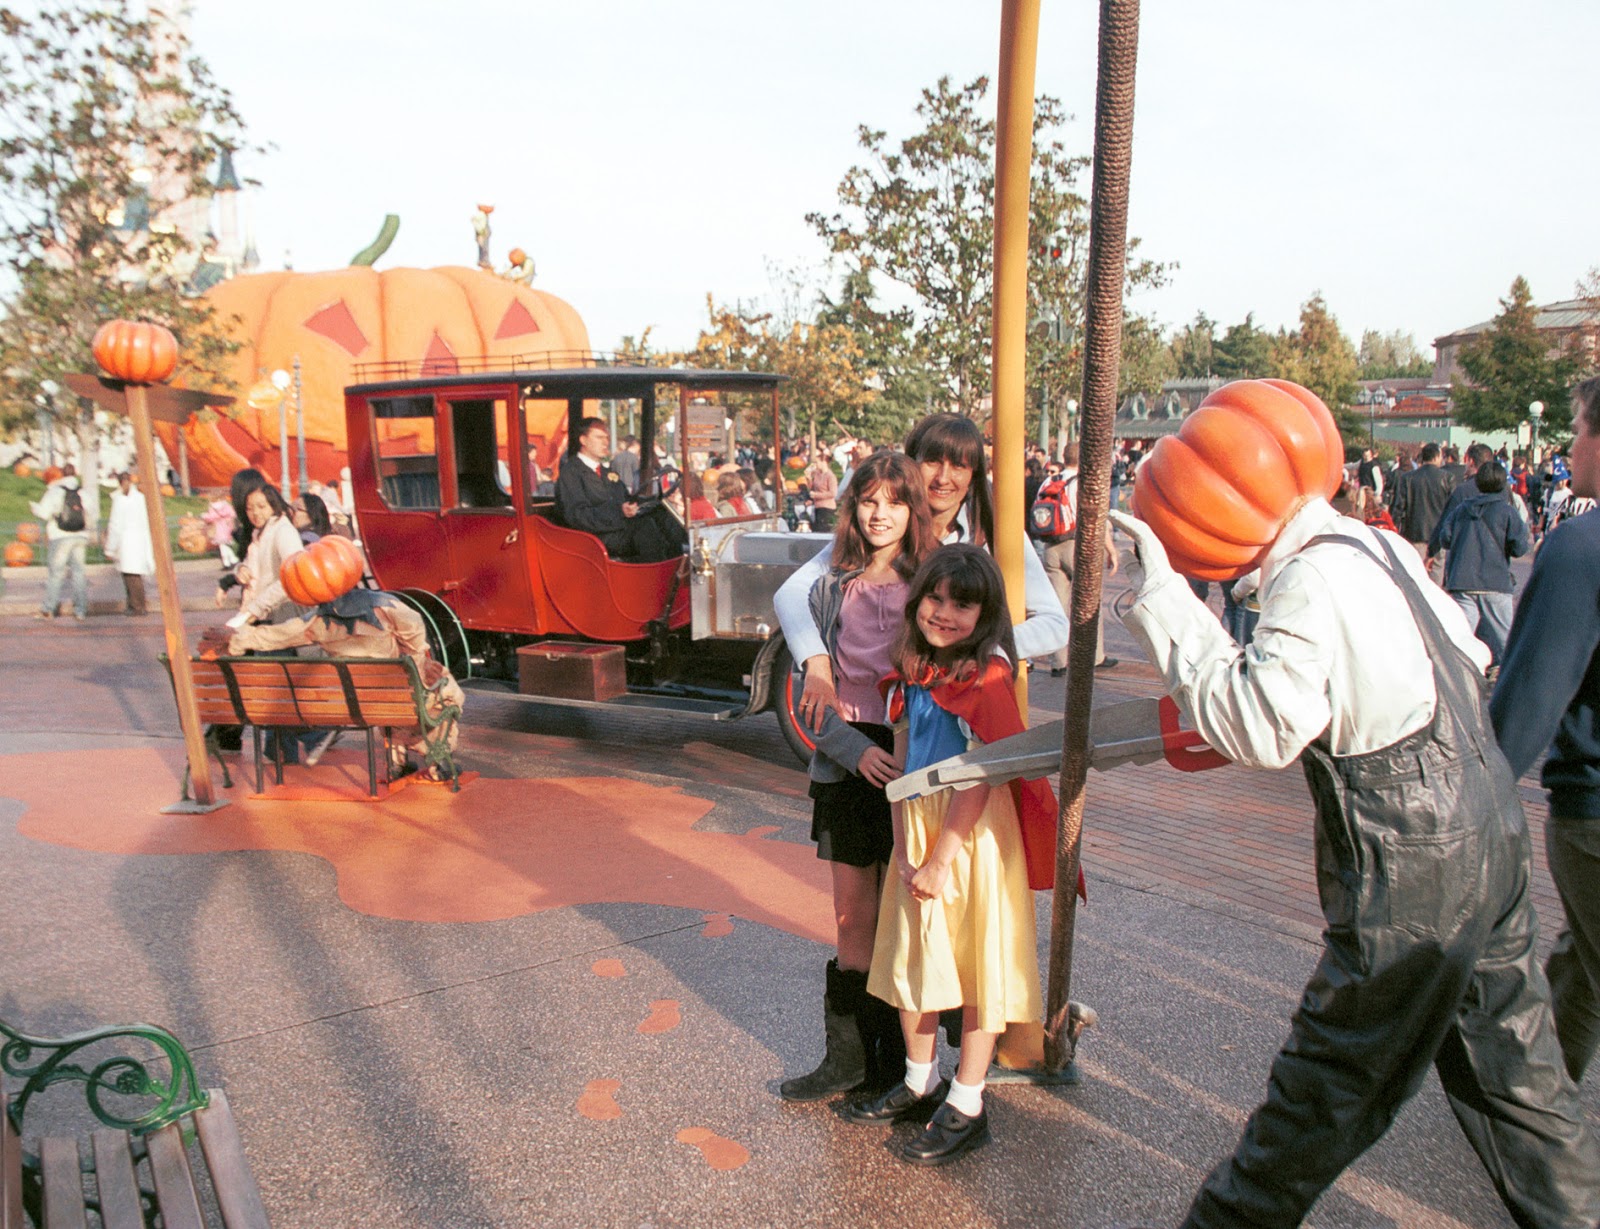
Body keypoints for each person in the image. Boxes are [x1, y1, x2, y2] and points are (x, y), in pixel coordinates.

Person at [1108, 492, 1600, 1228]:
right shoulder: (1380, 548)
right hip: (1486, 825)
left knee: (1323, 1091)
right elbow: (1471, 652)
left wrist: (1162, 598)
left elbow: (1261, 723)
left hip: (1413, 861)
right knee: (1523, 1083)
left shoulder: (1310, 576)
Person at [844, 545, 1054, 1166]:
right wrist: (907, 844)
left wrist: (941, 858)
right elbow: (904, 765)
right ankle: (919, 1080)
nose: (943, 613)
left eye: (962, 604)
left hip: (973, 833)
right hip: (918, 821)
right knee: (917, 954)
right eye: (934, 598)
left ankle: (967, 1100)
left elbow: (981, 776)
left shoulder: (986, 675)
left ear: (984, 614)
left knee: (978, 956)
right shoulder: (911, 667)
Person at [777, 453, 936, 1103]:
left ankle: (899, 1072)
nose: (879, 514)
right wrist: (851, 749)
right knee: (853, 918)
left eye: (894, 503)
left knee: (906, 922)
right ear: (853, 507)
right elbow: (809, 694)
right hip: (848, 760)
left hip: (912, 757)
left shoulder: (931, 583)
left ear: (912, 510)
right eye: (869, 501)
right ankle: (847, 1061)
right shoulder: (831, 584)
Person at [776, 413, 1068, 719]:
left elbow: (1054, 625)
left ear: (974, 475)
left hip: (960, 714)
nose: (943, 478)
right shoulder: (882, 529)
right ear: (912, 463)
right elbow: (792, 592)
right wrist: (817, 663)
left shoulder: (996, 535)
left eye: (959, 466)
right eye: (932, 462)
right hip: (878, 718)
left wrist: (974, 648)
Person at [1491, 373, 1600, 1086]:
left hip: (1593, 809)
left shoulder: (1581, 548)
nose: (1571, 444)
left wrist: (1476, 797)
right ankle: (1536, 1096)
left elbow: (1530, 698)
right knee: (1584, 963)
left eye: (1581, 426)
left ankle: (1539, 1124)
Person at [209, 586, 465, 779]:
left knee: (387, 698)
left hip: (362, 704)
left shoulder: (315, 623)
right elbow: (416, 639)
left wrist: (233, 639)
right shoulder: (387, 609)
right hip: (402, 698)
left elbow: (273, 637)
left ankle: (396, 760)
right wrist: (419, 656)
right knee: (446, 693)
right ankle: (438, 759)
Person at [1033, 441, 1119, 676]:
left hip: (1051, 547)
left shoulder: (1049, 481)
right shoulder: (1083, 483)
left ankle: (1059, 662)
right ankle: (1095, 656)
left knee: (1057, 606)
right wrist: (1110, 549)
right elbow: (1095, 520)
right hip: (1077, 547)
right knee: (1090, 603)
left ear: (1063, 456)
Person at [1431, 461, 1530, 667]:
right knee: (1504, 639)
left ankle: (1458, 674)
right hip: (1496, 583)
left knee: (1461, 637)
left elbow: (1446, 538)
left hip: (1462, 581)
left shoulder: (1461, 510)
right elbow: (1520, 547)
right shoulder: (1507, 512)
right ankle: (1503, 676)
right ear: (1503, 483)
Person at [553, 418, 684, 562]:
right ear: (583, 440)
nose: (606, 442)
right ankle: (655, 578)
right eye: (599, 437)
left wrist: (655, 501)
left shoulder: (606, 472)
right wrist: (618, 512)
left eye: (607, 438)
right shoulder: (571, 473)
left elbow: (627, 499)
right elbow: (577, 516)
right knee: (645, 528)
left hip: (616, 529)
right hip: (594, 538)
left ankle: (680, 566)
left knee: (664, 516)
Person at [217, 483, 303, 628]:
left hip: (281, 614)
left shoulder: (283, 531)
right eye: (250, 509)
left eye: (261, 507)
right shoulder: (259, 533)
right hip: (260, 613)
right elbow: (248, 564)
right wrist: (241, 570)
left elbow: (292, 576)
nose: (255, 513)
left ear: (274, 506)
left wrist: (256, 608)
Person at [30, 462, 89, 621]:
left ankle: (49, 609)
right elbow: (90, 513)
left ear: (61, 474)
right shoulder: (82, 491)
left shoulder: (55, 491)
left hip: (60, 536)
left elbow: (43, 513)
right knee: (79, 573)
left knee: (56, 573)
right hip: (80, 536)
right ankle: (81, 610)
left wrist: (34, 507)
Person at [1388, 440, 1454, 575]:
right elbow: (1452, 507)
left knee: (1416, 573)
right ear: (1436, 457)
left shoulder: (1408, 478)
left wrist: (1394, 528)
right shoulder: (1447, 478)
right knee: (1436, 574)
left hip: (1414, 533)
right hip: (1439, 534)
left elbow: (1398, 507)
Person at [103, 472, 154, 616]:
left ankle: (136, 605)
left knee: (130, 576)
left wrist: (110, 548)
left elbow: (115, 525)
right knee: (134, 574)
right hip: (139, 540)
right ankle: (137, 604)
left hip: (126, 542)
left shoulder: (120, 500)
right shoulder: (140, 499)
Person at [806, 455, 838, 532]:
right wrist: (809, 479)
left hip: (826, 507)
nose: (815, 465)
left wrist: (817, 495)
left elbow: (833, 493)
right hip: (817, 506)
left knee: (823, 529)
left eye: (817, 463)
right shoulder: (817, 474)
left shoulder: (830, 476)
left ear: (824, 462)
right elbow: (813, 488)